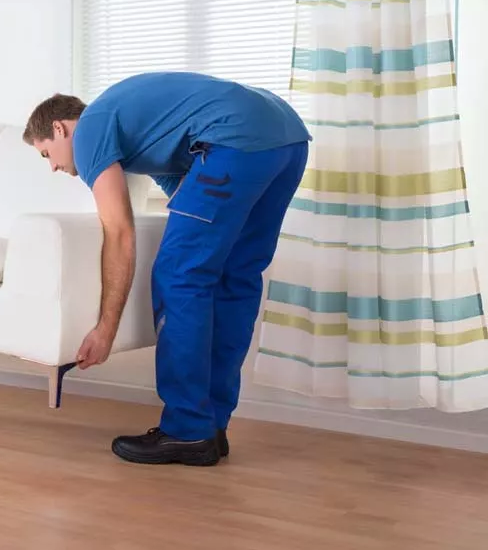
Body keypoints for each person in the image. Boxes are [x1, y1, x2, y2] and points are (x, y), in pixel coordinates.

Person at [22, 72, 311, 466]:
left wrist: (105, 330)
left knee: (179, 275)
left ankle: (187, 429)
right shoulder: (148, 136)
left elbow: (120, 233)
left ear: (59, 127)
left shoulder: (89, 130)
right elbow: (193, 202)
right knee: (233, 277)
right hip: (286, 140)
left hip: (236, 139)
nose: (53, 167)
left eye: (45, 153)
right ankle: (211, 426)